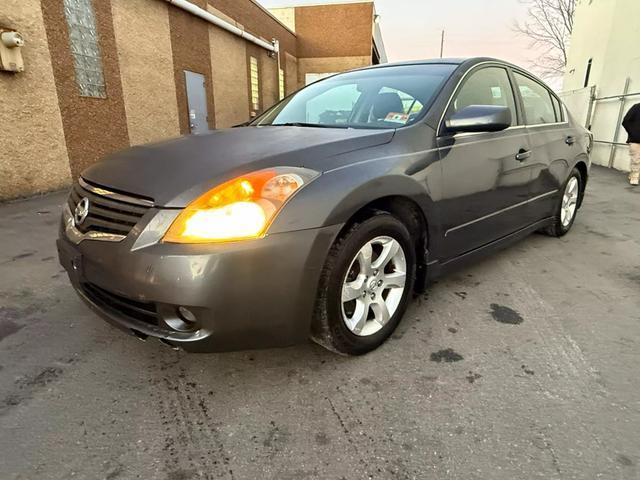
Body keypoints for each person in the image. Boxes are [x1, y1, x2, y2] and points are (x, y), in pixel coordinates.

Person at [622, 102, 640, 185]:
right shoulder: (636, 107)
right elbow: (625, 121)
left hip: (635, 138)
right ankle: (634, 177)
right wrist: (633, 133)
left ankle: (633, 174)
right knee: (636, 159)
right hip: (635, 139)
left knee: (636, 159)